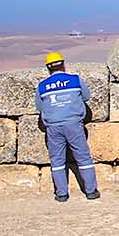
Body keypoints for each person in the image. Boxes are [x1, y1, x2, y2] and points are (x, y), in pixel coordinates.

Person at [34, 52, 99, 203]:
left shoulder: (42, 86)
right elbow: (86, 96)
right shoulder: (75, 80)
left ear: (48, 68)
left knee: (57, 161)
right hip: (74, 124)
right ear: (63, 64)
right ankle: (91, 191)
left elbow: (39, 107)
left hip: (53, 127)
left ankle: (61, 194)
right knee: (83, 157)